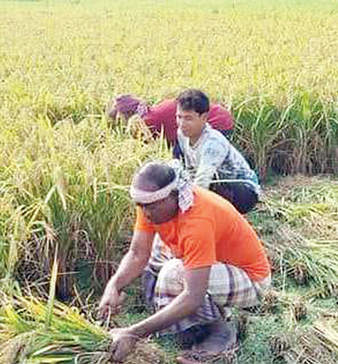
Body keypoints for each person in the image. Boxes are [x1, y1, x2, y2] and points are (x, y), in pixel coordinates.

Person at [98, 161, 271, 363]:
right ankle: (182, 322)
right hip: (214, 266)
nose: (146, 213)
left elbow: (193, 295)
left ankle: (218, 331)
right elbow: (137, 254)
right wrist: (114, 286)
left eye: (151, 207)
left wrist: (134, 332)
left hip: (250, 280)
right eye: (141, 206)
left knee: (174, 273)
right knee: (157, 254)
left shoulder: (197, 220)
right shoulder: (151, 204)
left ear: (174, 196)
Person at [175, 89, 261, 214]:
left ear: (204, 117)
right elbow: (189, 170)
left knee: (209, 188)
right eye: (179, 117)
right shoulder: (182, 134)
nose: (182, 124)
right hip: (214, 182)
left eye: (188, 118)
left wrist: (187, 211)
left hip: (243, 190)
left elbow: (202, 181)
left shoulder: (213, 143)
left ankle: (222, 219)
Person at [107, 94, 234, 148]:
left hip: (217, 124)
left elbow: (151, 148)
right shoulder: (154, 110)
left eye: (121, 120)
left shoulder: (147, 123)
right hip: (222, 116)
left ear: (127, 114)